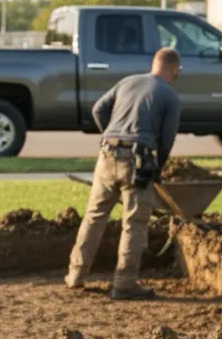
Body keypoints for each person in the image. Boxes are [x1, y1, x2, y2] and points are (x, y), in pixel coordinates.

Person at [65, 47, 182, 300]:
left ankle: (76, 275)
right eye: (177, 73)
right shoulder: (170, 96)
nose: (176, 77)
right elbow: (166, 141)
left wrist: (111, 134)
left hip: (106, 155)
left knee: (94, 216)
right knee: (135, 223)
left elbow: (98, 109)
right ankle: (125, 284)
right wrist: (157, 169)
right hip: (138, 163)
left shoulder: (127, 82)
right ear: (172, 69)